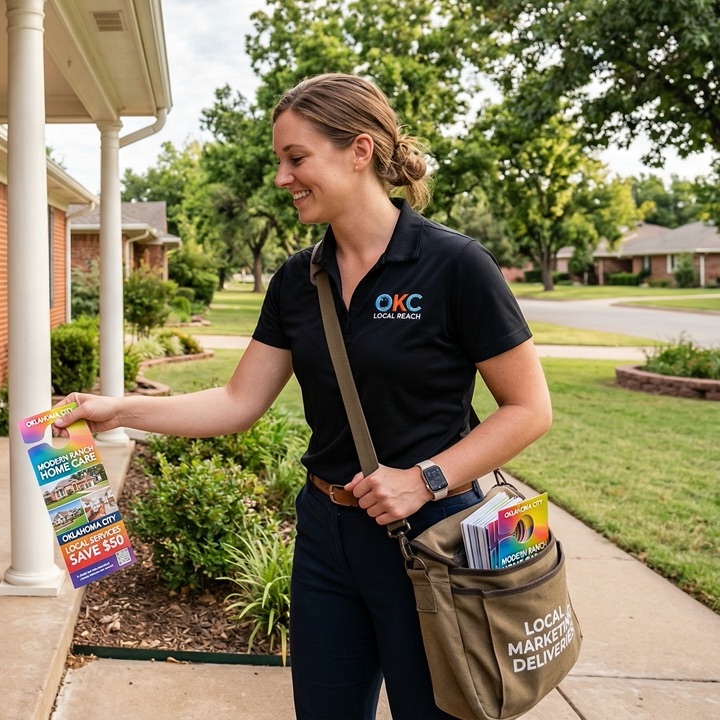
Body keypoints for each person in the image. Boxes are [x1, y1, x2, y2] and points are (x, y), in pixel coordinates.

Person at [53, 72, 552, 720]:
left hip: (431, 540)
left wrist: (427, 478)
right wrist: (115, 409)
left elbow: (529, 408)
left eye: (296, 158)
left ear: (360, 151)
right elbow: (238, 401)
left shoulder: (454, 266)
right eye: (279, 162)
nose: (282, 178)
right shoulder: (298, 278)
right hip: (325, 536)